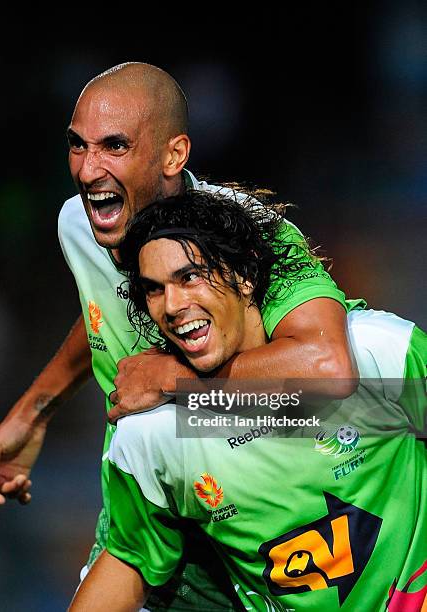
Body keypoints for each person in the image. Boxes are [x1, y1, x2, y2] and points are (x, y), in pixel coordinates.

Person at [0, 62, 364, 609]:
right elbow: (103, 318)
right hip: (152, 512)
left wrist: (173, 380)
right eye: (77, 146)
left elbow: (328, 368)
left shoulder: (253, 235)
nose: (89, 170)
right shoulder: (78, 227)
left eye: (114, 146)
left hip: (259, 516)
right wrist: (33, 411)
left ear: (172, 155)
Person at [69, 190, 426, 612]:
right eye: (153, 290)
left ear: (245, 276)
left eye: (190, 277)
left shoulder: (380, 354)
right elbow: (128, 561)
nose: (173, 305)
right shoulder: (155, 433)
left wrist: (178, 379)